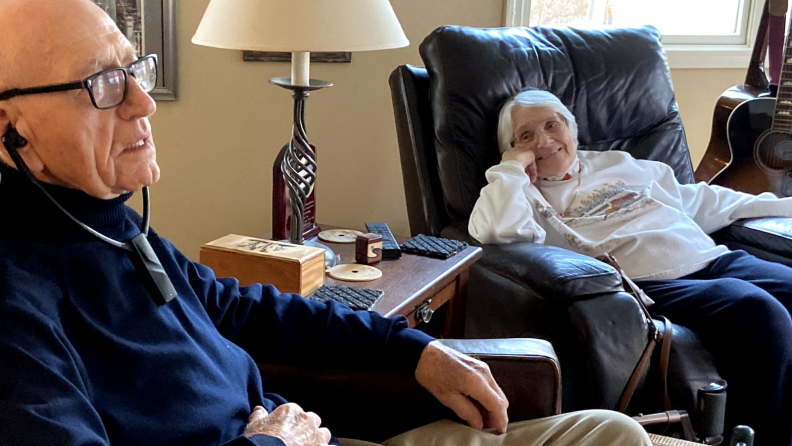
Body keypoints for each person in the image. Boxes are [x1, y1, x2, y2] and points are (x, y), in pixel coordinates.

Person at [0, 1, 652, 445]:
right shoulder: (15, 301)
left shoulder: (106, 225)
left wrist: (412, 349)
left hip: (309, 427)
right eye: (102, 84)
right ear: (11, 131)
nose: (142, 101)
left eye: (132, 68)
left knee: (612, 434)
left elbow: (239, 307)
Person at [469, 88, 792, 445]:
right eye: (526, 136)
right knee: (760, 311)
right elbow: (492, 229)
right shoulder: (521, 193)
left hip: (714, 258)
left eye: (552, 125)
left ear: (572, 129)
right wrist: (512, 169)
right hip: (651, 282)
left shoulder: (620, 163)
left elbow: (699, 200)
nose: (544, 140)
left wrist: (784, 206)